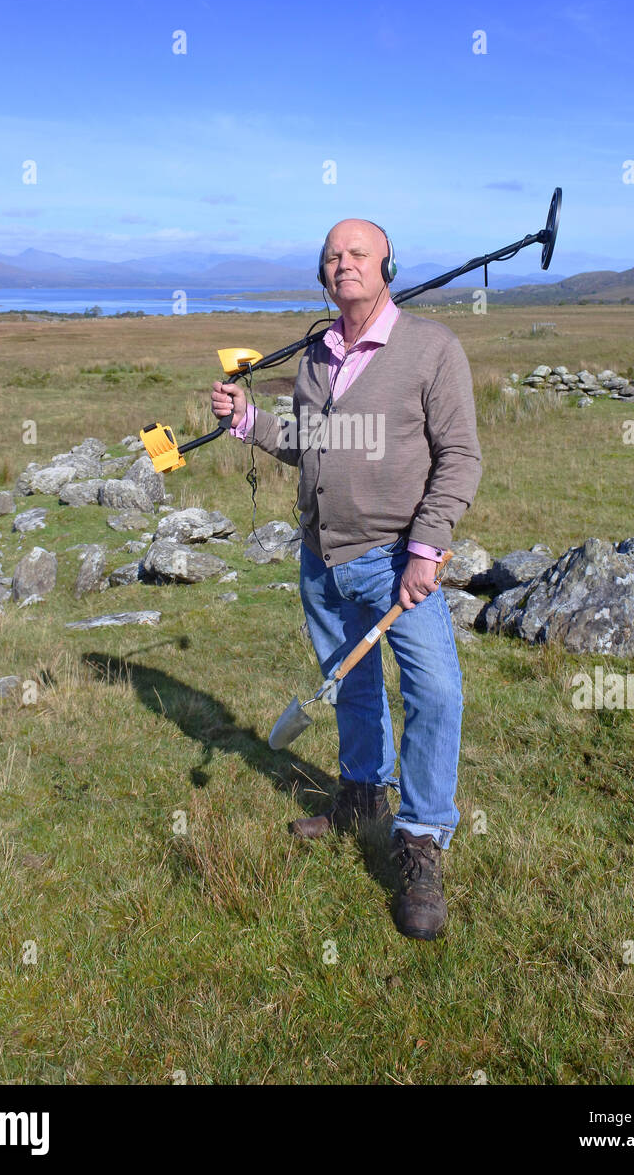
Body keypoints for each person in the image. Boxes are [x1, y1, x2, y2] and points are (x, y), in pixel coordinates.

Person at [211, 219, 482, 940]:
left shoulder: (430, 348)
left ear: (387, 264)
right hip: (320, 558)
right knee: (350, 682)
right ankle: (363, 794)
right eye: (332, 256)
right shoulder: (316, 354)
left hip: (395, 557)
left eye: (358, 252)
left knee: (435, 689)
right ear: (322, 275)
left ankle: (421, 838)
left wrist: (427, 547)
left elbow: (460, 456)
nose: (343, 263)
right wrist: (249, 420)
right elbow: (308, 445)